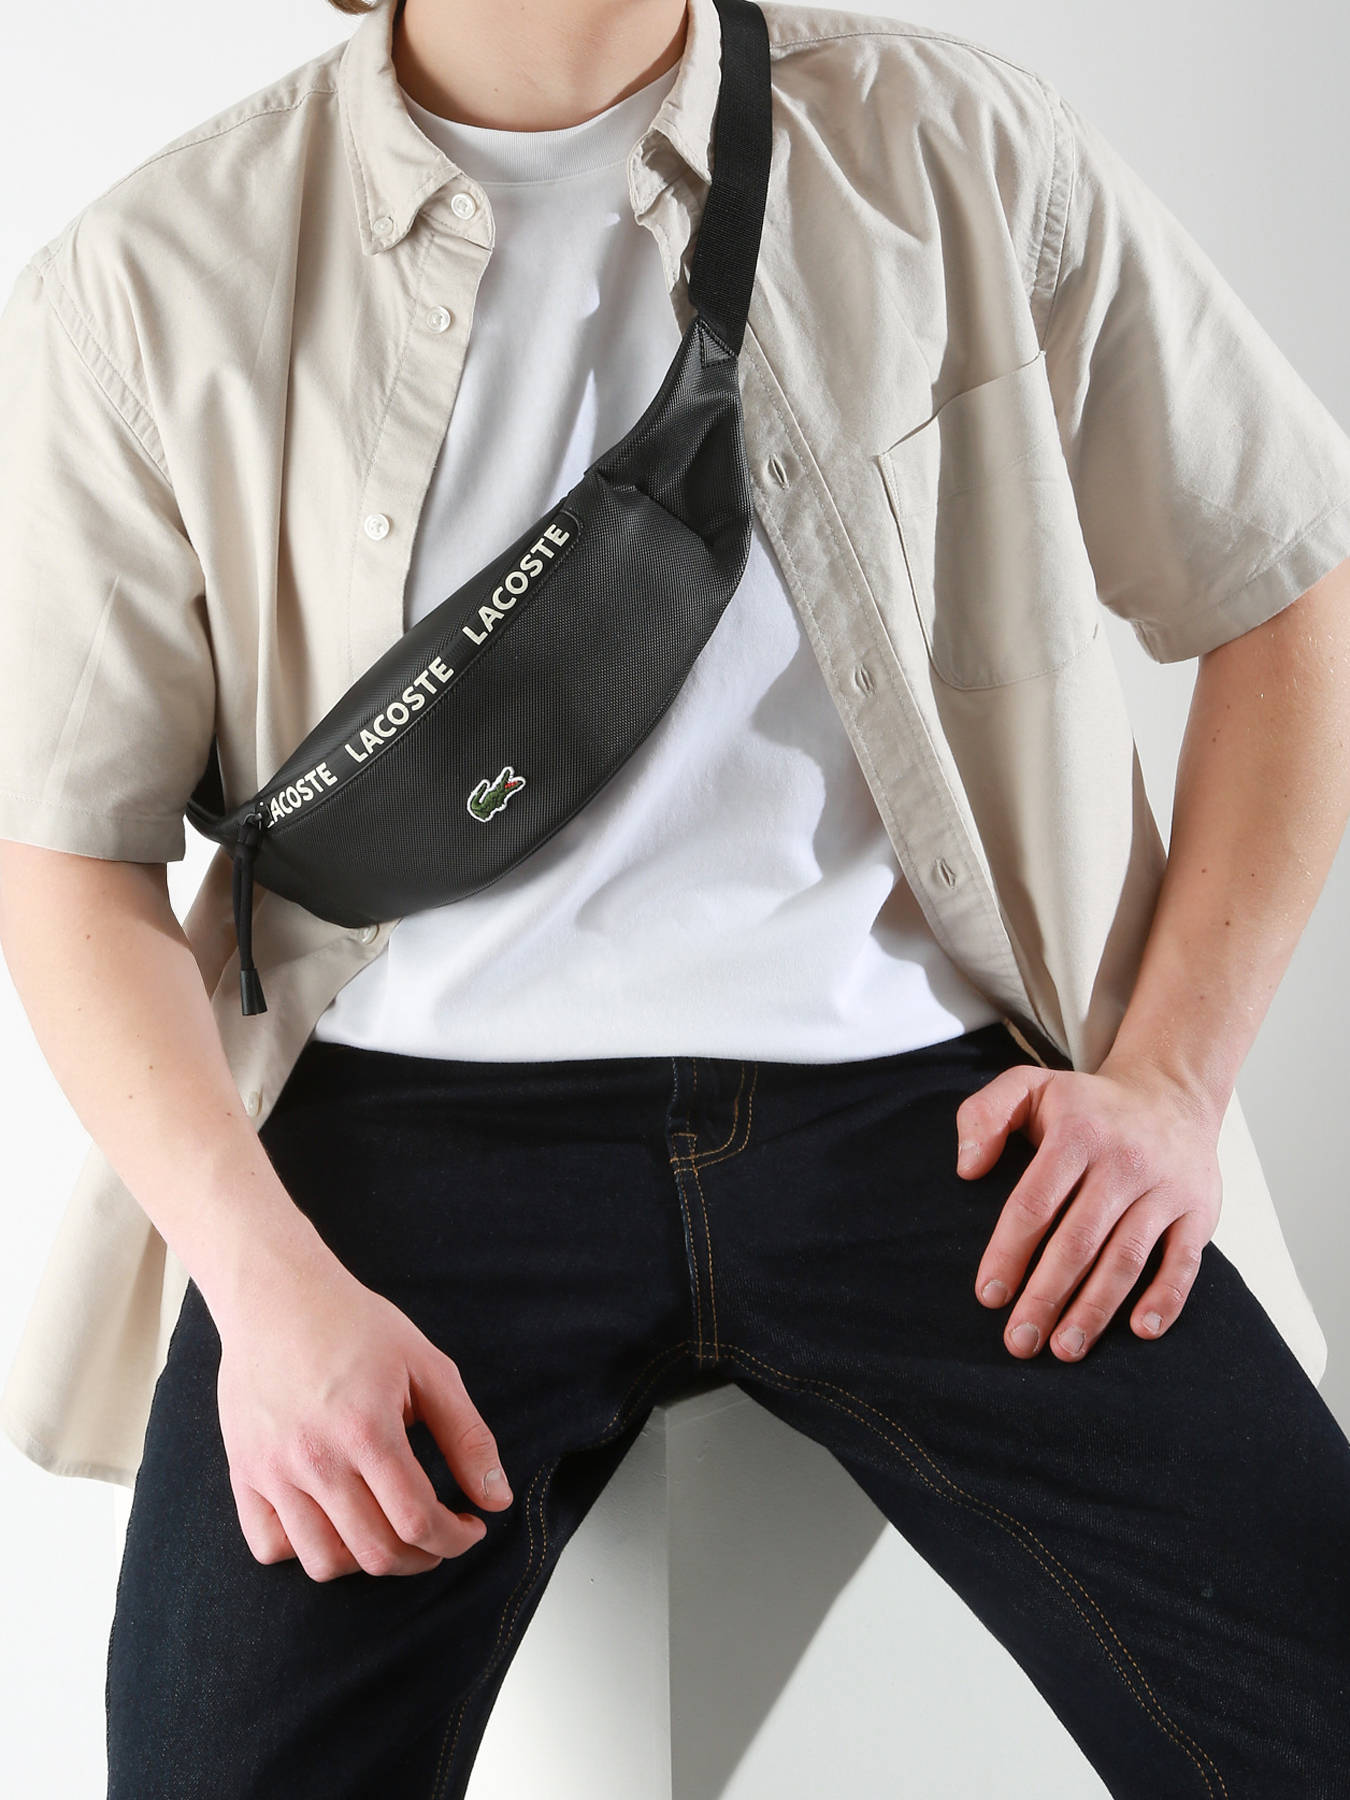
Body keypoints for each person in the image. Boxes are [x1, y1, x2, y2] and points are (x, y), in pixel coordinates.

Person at [0, 0, 1348, 1793]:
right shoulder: (155, 271)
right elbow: (68, 849)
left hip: (938, 1122)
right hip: (398, 1145)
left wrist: (1169, 1083)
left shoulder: (953, 144)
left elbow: (1287, 582)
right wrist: (261, 1284)